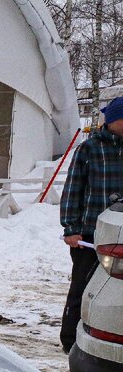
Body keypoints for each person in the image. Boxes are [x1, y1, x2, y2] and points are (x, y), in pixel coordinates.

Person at [60, 97, 123, 353]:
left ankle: (106, 337)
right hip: (89, 236)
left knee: (115, 293)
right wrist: (70, 229)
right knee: (82, 288)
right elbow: (73, 190)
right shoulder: (89, 149)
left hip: (120, 235)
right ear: (114, 120)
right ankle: (70, 340)